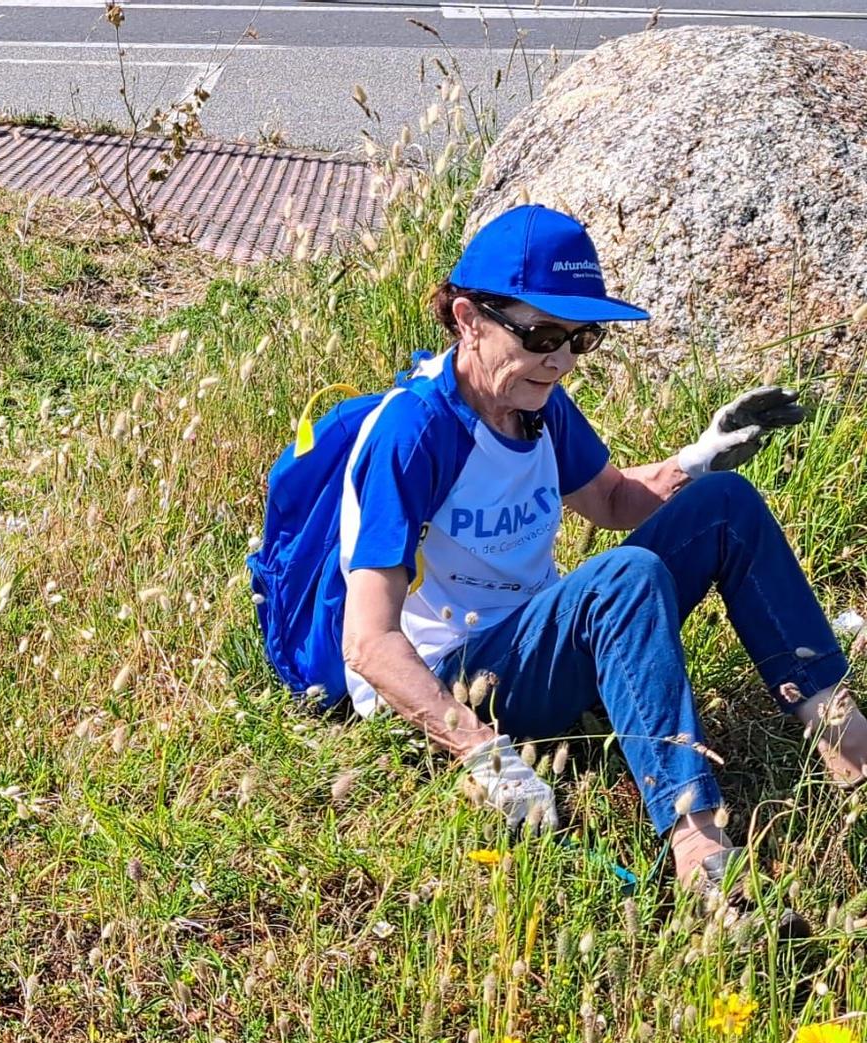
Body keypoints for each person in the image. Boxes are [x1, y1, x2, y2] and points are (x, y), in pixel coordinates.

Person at [337, 204, 866, 898]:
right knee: (627, 577)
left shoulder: (536, 403)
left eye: (580, 337)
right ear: (468, 319)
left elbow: (613, 501)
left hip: (538, 646)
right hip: (454, 679)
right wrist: (479, 751)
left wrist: (701, 458)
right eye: (541, 333)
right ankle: (700, 851)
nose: (559, 359)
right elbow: (368, 642)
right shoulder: (414, 434)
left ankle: (846, 740)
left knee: (725, 504)